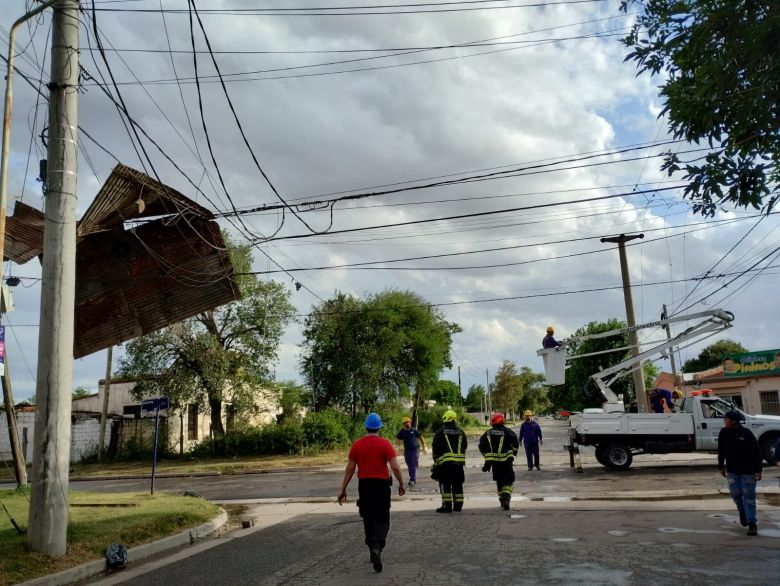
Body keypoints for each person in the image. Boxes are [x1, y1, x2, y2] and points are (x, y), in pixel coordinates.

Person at [338, 412, 406, 572]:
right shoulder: (385, 444)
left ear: (366, 427)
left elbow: (350, 468)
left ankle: (371, 549)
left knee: (368, 518)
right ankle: (377, 546)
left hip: (365, 486)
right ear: (379, 428)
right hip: (381, 486)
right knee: (382, 519)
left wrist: (343, 489)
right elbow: (395, 466)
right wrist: (401, 484)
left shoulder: (357, 445)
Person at [718, 410, 763, 536]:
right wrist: (721, 466)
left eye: (727, 419)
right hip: (732, 470)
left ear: (734, 421)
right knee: (735, 494)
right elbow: (721, 450)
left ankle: (752, 524)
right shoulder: (723, 432)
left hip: (748, 470)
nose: (725, 421)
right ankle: (742, 511)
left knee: (749, 497)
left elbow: (756, 452)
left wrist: (758, 470)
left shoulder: (746, 433)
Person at [479, 412, 519, 510]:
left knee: (499, 481)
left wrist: (487, 460)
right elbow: (515, 444)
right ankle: (506, 499)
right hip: (506, 462)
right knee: (508, 480)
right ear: (502, 421)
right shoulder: (508, 432)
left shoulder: (487, 433)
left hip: (494, 463)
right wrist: (513, 454)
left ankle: (502, 500)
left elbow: (481, 446)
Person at [431, 409, 467, 513]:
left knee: (445, 484)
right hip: (459, 465)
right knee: (458, 484)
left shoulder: (440, 432)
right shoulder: (461, 432)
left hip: (445, 465)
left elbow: (435, 448)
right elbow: (464, 446)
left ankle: (447, 507)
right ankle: (458, 506)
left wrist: (436, 461)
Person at [395, 415, 427, 488]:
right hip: (407, 451)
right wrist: (396, 447)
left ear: (410, 423)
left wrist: (424, 446)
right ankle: (413, 473)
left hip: (415, 450)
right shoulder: (402, 432)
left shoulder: (414, 430)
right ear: (403, 424)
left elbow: (420, 437)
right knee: (409, 464)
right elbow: (398, 440)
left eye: (408, 422)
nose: (407, 424)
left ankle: (412, 479)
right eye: (406, 423)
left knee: (412, 464)